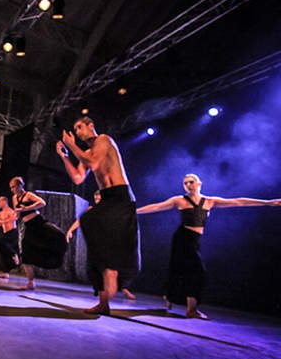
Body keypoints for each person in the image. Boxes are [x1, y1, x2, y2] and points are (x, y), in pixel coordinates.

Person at [136, 173, 281, 319]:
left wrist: (267, 203)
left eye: (191, 182)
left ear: (199, 184)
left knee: (185, 271)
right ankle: (190, 309)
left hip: (195, 240)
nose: (188, 185)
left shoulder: (209, 201)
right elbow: (157, 207)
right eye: (185, 183)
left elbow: (238, 202)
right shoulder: (179, 200)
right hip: (182, 238)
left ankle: (172, 297)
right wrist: (135, 212)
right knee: (195, 271)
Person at [55, 116, 140, 315]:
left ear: (90, 125)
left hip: (121, 196)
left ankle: (112, 269)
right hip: (107, 198)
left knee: (98, 228)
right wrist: (64, 156)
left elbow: (93, 164)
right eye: (75, 129)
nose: (77, 132)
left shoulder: (104, 140)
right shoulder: (85, 153)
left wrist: (72, 146)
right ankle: (103, 302)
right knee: (89, 225)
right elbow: (78, 178)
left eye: (80, 127)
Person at [66, 190, 136, 300]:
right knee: (95, 267)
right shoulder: (91, 209)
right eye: (96, 198)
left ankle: (124, 287)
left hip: (109, 241)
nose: (97, 200)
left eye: (99, 198)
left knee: (115, 266)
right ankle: (100, 291)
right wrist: (70, 230)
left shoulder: (111, 210)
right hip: (96, 242)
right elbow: (79, 220)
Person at [10, 176, 66, 290]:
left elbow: (42, 203)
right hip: (29, 227)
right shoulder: (14, 198)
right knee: (25, 254)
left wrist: (27, 208)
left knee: (58, 235)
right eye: (11, 187)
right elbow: (17, 213)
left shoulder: (28, 195)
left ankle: (60, 253)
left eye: (14, 187)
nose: (12, 189)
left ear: (20, 186)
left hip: (39, 223)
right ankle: (30, 282)